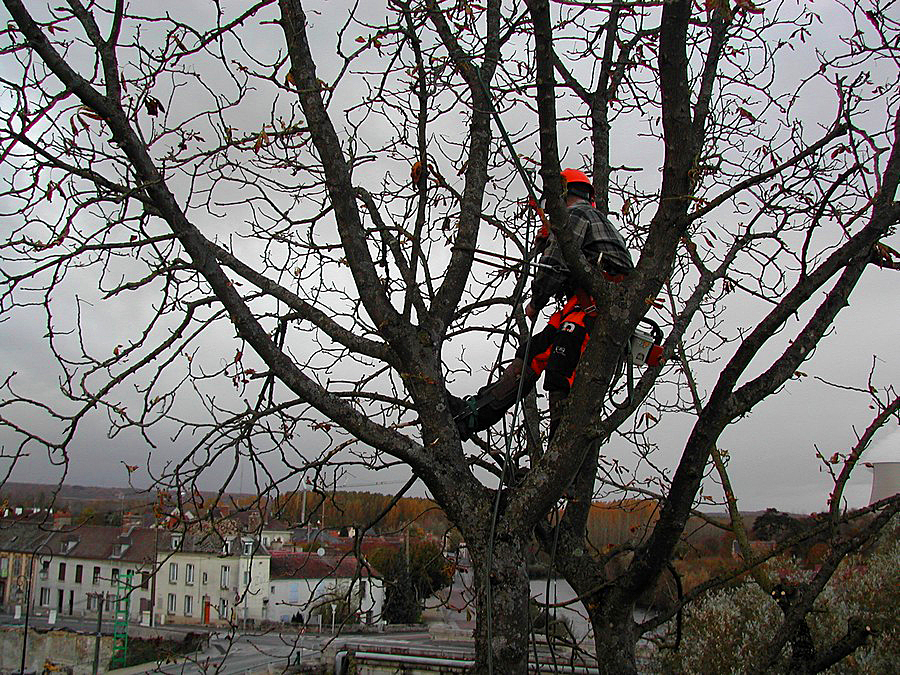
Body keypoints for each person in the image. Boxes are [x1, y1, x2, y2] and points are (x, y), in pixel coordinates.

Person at [451, 169, 633, 441]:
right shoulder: (588, 220)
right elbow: (565, 262)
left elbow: (554, 264)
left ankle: (562, 447)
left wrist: (537, 301)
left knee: (562, 364)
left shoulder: (576, 215)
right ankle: (474, 415)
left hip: (601, 302)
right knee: (533, 351)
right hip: (583, 303)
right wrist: (546, 240)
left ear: (562, 194)